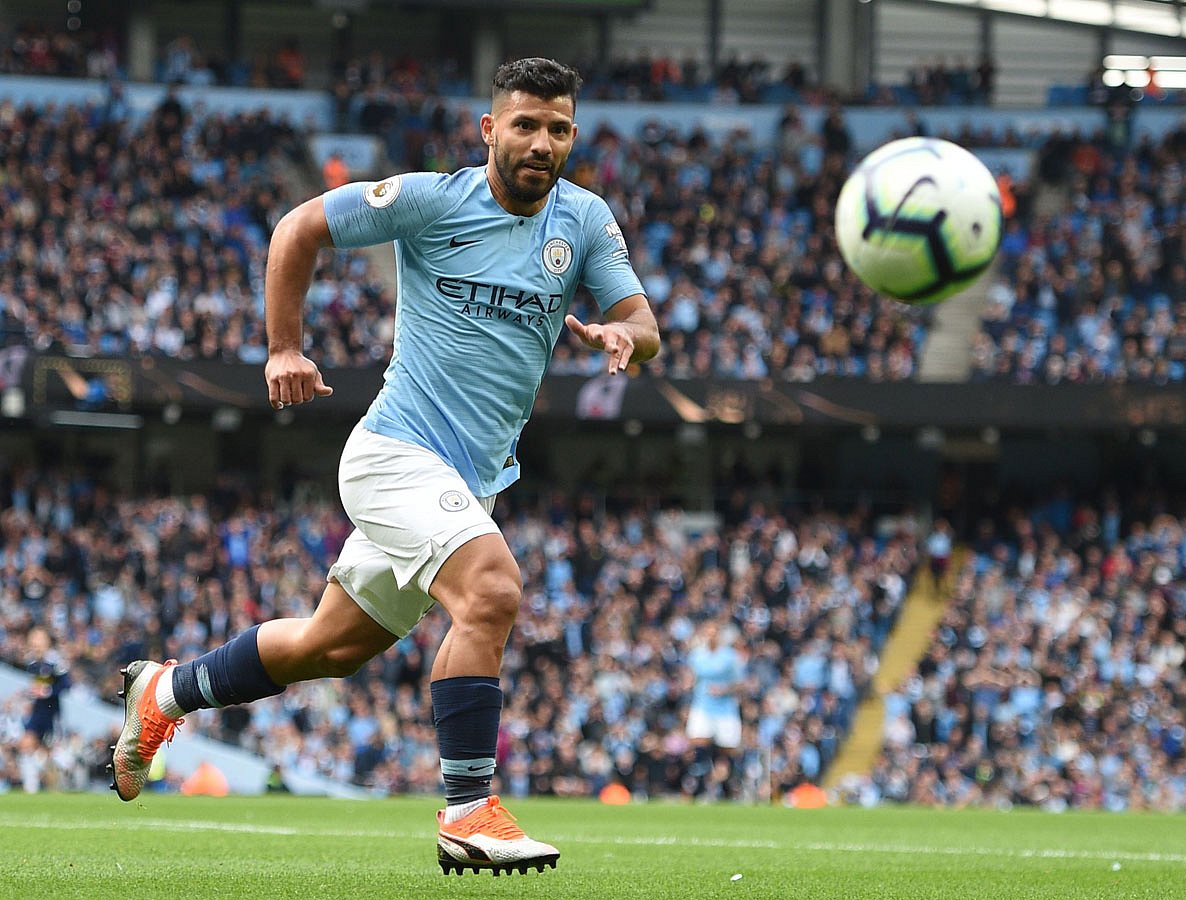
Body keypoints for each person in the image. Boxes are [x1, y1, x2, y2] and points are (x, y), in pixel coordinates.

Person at [109, 57, 659, 876]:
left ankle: (167, 691)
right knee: (494, 590)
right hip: (395, 454)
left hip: (467, 484)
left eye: (558, 129)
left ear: (572, 135)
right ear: (490, 130)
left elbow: (641, 321)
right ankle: (469, 810)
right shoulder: (435, 200)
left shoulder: (582, 221)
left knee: (328, 648)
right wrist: (284, 346)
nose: (542, 142)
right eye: (525, 125)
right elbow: (298, 227)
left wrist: (626, 338)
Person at [683, 620, 745, 799]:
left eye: (714, 632)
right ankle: (699, 788)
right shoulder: (697, 655)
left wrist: (725, 689)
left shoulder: (731, 657)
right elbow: (691, 677)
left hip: (726, 709)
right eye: (707, 632)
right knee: (698, 743)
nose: (710, 636)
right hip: (702, 706)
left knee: (727, 750)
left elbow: (740, 684)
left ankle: (728, 788)